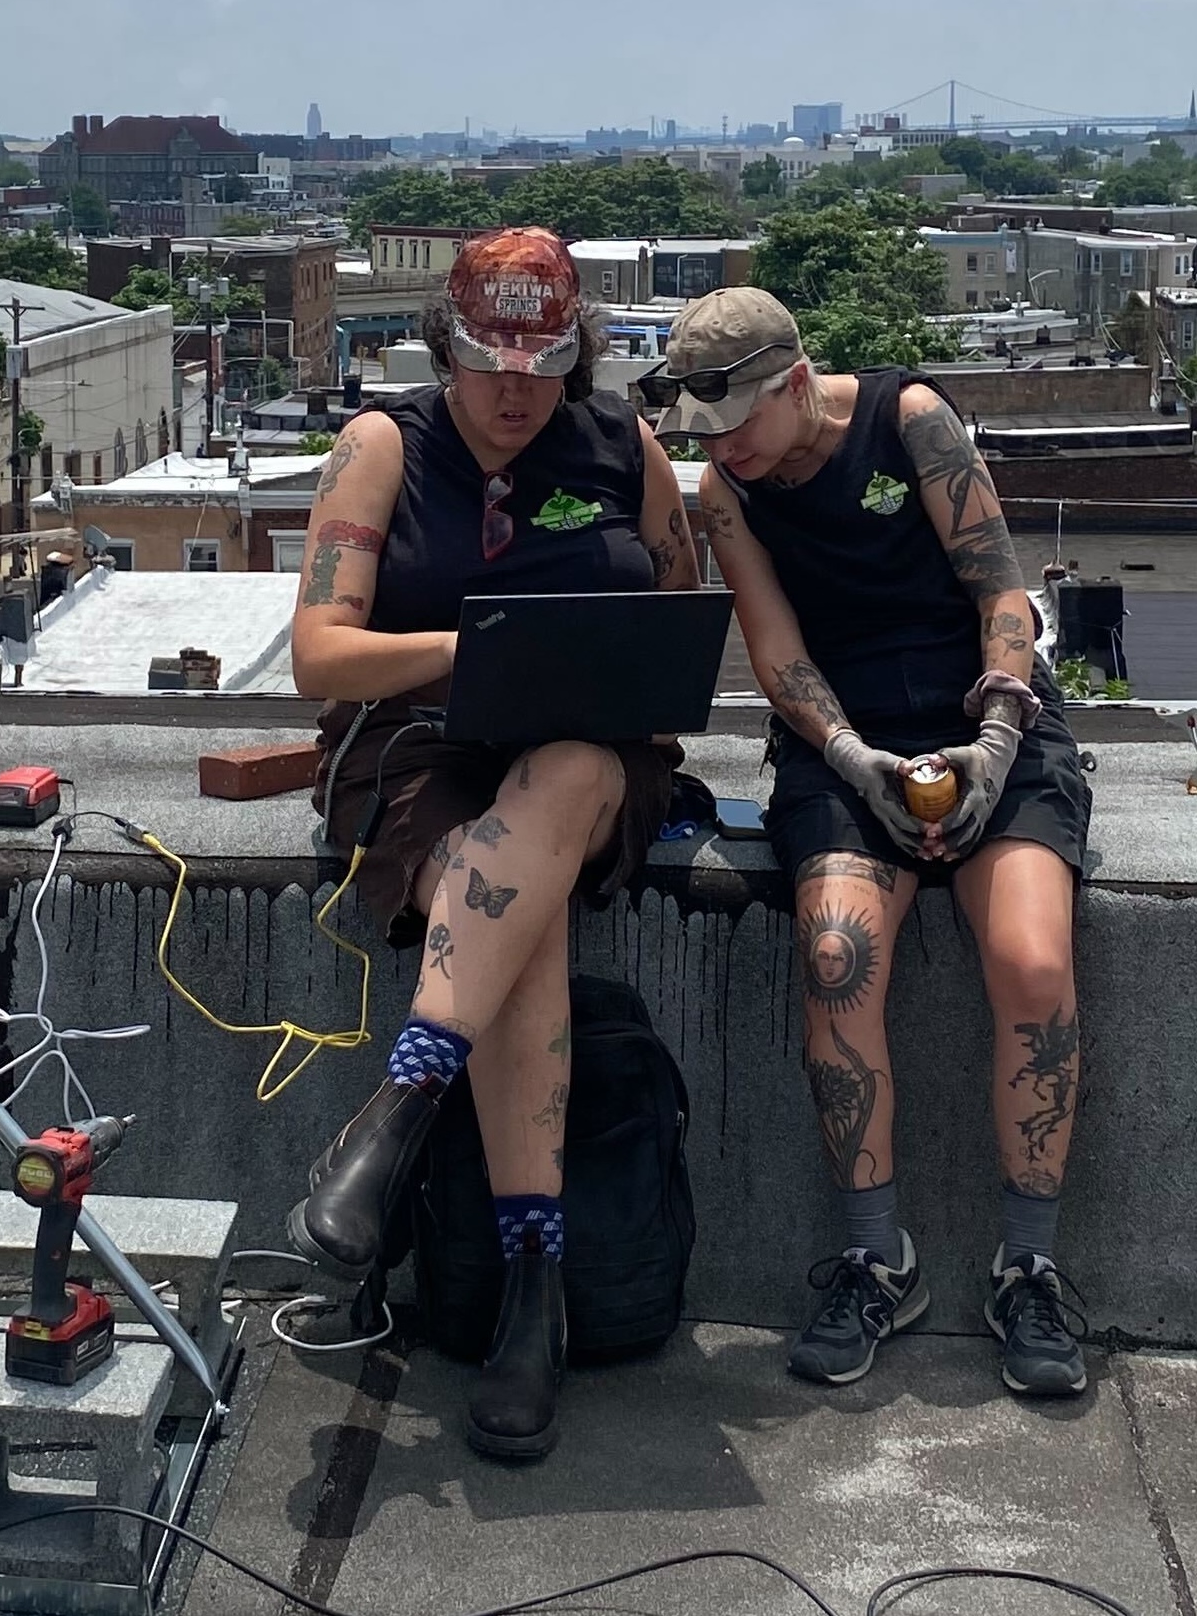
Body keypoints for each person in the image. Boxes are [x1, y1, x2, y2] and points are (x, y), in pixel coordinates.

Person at [286, 228, 699, 1462]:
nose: (514, 389)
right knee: (527, 904)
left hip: (587, 754)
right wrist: (487, 649)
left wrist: (586, 671)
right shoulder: (382, 449)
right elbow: (319, 653)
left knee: (566, 779)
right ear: (444, 351)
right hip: (419, 749)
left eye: (540, 363)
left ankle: (403, 1103)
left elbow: (685, 624)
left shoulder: (625, 449)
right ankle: (534, 1296)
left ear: (574, 356)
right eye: (486, 362)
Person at [645, 287, 1092, 1399]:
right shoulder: (727, 493)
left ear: (794, 384)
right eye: (708, 437)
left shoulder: (911, 423)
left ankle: (1027, 1263)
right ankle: (873, 1256)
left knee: (1032, 966)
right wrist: (851, 761)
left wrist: (993, 737)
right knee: (836, 955)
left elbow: (1000, 591)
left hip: (989, 720)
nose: (728, 453)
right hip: (840, 742)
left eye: (740, 424)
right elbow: (775, 650)